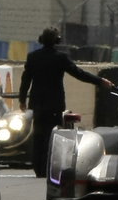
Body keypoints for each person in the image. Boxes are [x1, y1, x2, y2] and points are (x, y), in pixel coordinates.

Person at [19, 27, 110, 177]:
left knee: (39, 135)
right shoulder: (60, 57)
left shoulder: (32, 57)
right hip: (54, 104)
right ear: (57, 40)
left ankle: (38, 168)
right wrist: (99, 81)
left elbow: (25, 80)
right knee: (52, 136)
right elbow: (79, 74)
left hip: (38, 103)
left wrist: (22, 99)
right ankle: (48, 166)